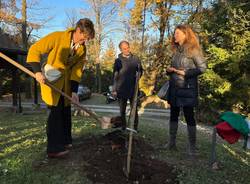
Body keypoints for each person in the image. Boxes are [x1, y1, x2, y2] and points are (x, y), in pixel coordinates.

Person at [27, 18, 95, 158]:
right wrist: (37, 72)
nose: (85, 41)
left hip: (67, 84)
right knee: (55, 114)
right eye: (84, 37)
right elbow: (35, 49)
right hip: (51, 80)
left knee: (65, 111)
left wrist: (74, 91)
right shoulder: (57, 37)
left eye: (87, 39)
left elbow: (77, 70)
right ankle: (53, 149)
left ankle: (65, 141)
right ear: (77, 30)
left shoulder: (82, 49)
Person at [166, 25, 207, 156]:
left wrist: (185, 73)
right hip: (174, 88)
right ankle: (171, 143)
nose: (175, 36)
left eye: (177, 33)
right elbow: (174, 67)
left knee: (189, 117)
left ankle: (192, 147)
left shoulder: (193, 50)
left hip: (187, 90)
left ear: (185, 34)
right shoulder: (176, 50)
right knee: (173, 115)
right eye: (174, 33)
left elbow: (202, 68)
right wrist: (169, 70)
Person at [112, 41, 143, 131]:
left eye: (127, 47)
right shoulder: (118, 61)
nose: (127, 50)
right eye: (124, 49)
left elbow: (141, 70)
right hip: (121, 89)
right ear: (121, 50)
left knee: (134, 110)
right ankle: (123, 127)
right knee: (122, 111)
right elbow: (115, 75)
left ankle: (135, 128)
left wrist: (139, 74)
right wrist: (114, 89)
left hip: (133, 88)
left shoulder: (136, 59)